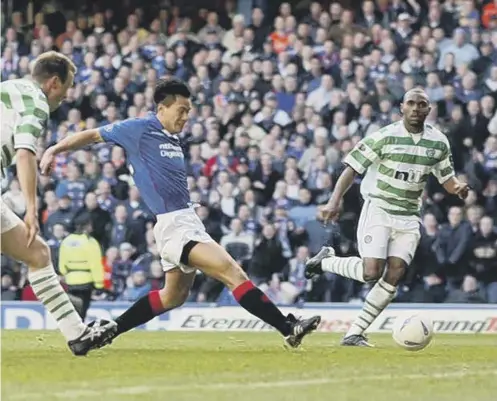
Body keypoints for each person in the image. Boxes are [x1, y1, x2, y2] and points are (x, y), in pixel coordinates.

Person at [40, 77, 321, 353]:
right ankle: (288, 327)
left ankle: (110, 329)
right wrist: (54, 149)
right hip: (175, 224)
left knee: (172, 297)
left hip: (183, 222)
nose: (186, 117)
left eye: (188, 111)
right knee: (233, 273)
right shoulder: (138, 128)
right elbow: (92, 135)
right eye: (181, 110)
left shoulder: (172, 138)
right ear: (161, 108)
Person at [305, 88, 470, 347]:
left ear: (429, 109)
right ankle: (325, 261)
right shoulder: (384, 136)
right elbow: (352, 167)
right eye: (411, 103)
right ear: (401, 108)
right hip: (379, 208)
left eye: (422, 104)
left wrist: (457, 187)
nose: (416, 108)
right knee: (371, 271)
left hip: (409, 216)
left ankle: (354, 333)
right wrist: (333, 201)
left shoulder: (438, 142)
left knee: (395, 273)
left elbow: (446, 177)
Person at [0, 51, 114, 356]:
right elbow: (25, 153)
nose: (66, 96)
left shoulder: (8, 88)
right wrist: (32, 210)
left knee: (37, 253)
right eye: (66, 87)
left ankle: (77, 334)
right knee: (36, 250)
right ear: (53, 83)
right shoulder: (36, 103)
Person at [58, 213, 104, 320]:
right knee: (82, 311)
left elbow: (62, 264)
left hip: (70, 281)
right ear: (86, 226)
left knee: (73, 310)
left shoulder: (66, 241)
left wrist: (66, 274)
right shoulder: (90, 242)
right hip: (86, 282)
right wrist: (99, 284)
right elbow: (95, 264)